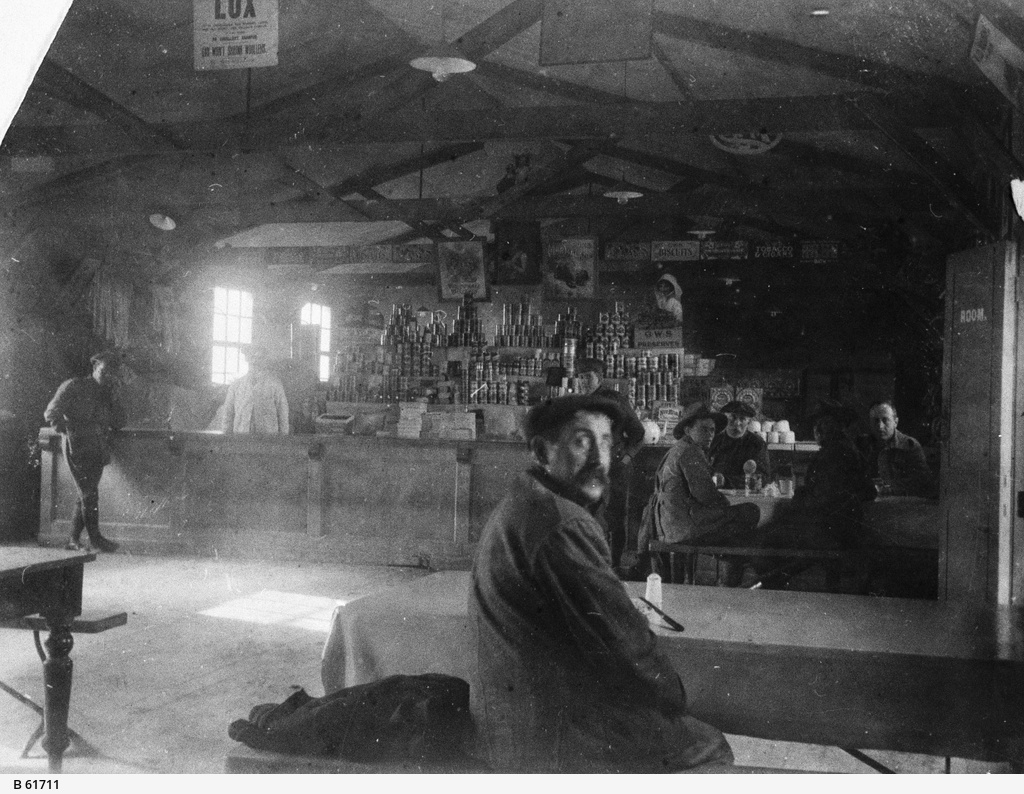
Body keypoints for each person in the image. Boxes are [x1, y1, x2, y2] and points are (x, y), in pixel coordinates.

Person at [468, 394, 734, 772]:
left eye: (606, 442)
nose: (598, 459)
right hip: (550, 739)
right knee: (709, 741)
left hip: (507, 723)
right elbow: (624, 644)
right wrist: (675, 698)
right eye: (581, 442)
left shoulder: (522, 501)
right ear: (542, 452)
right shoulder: (563, 522)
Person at [640, 405, 760, 587]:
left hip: (669, 525)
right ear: (688, 430)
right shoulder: (690, 451)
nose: (710, 435)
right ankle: (730, 582)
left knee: (736, 528)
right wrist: (726, 505)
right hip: (682, 529)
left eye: (712, 430)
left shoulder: (678, 449)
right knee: (750, 511)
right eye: (704, 429)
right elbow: (706, 495)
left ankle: (728, 576)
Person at [43, 350, 125, 552]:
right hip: (77, 447)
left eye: (112, 373)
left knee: (85, 494)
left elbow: (120, 422)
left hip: (98, 448)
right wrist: (70, 432)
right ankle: (96, 540)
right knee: (89, 494)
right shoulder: (74, 386)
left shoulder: (108, 393)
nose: (108, 376)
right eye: (104, 371)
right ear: (95, 367)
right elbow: (51, 413)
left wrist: (116, 399)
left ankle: (73, 540)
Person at [575, 358, 646, 567]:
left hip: (615, 467)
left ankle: (613, 565)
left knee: (615, 515)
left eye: (588, 377)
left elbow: (638, 433)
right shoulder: (579, 403)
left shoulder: (615, 400)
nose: (583, 382)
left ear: (600, 378)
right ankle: (589, 562)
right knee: (586, 513)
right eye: (580, 377)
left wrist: (627, 457)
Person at [862, 401, 934, 497]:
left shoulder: (910, 446)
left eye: (885, 420)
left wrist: (891, 489)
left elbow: (923, 482)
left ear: (895, 422)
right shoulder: (864, 446)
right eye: (876, 420)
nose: (880, 426)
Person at [222, 347, 290, 434]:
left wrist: (283, 437)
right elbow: (228, 413)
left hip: (267, 436)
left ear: (264, 360)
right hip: (241, 435)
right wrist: (226, 436)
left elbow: (283, 413)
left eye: (259, 358)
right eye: (252, 357)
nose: (255, 361)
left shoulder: (275, 384)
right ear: (247, 359)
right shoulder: (236, 385)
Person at [708, 400, 771, 489]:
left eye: (742, 419)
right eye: (732, 417)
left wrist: (726, 481)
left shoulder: (757, 443)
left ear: (748, 422)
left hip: (744, 494)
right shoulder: (714, 441)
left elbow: (763, 477)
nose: (737, 423)